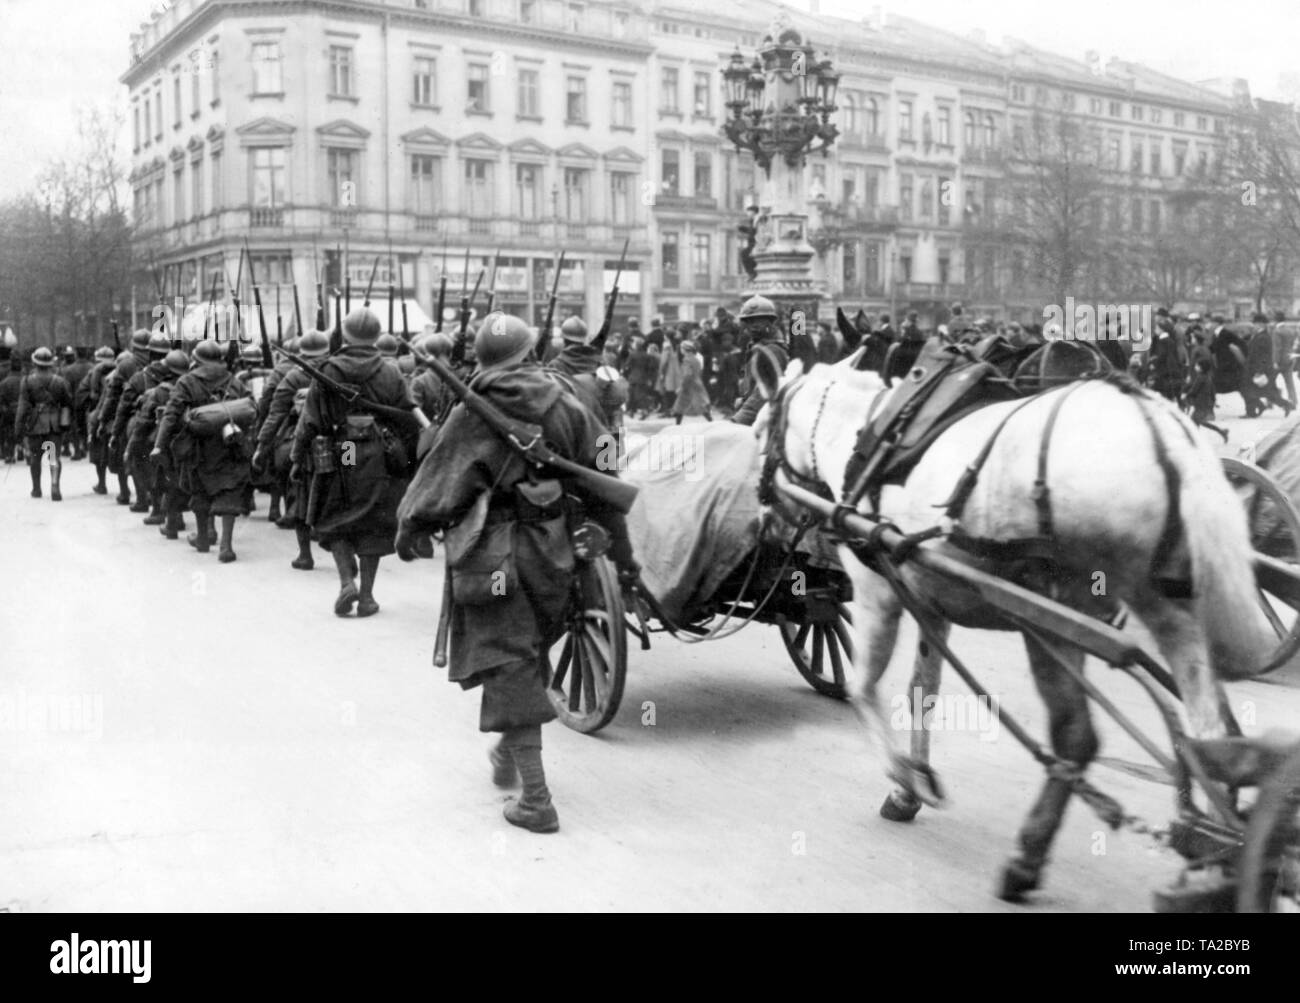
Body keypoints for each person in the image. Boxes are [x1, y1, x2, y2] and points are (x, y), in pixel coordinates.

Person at [394, 312, 638, 834]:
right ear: (529, 351)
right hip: (555, 555)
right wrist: (624, 557)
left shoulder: (472, 412)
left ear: (483, 359)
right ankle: (509, 750)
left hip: (495, 555)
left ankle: (537, 799)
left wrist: (408, 528)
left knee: (509, 656)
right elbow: (605, 468)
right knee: (526, 651)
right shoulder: (567, 400)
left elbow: (436, 478)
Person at [290, 307, 417, 617]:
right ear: (376, 336)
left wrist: (296, 456)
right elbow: (408, 418)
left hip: (342, 447)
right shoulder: (391, 371)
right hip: (378, 452)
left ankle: (347, 581)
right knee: (373, 522)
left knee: (337, 513)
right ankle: (368, 596)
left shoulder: (327, 370)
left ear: (344, 334)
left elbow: (309, 420)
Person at [152, 338, 253, 563]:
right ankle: (226, 544)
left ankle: (204, 538)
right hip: (230, 444)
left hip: (199, 445)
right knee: (228, 491)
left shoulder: (187, 382)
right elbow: (250, 406)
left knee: (199, 490)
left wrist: (159, 444)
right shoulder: (233, 381)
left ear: (195, 360)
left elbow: (171, 414)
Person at [253, 331, 331, 570]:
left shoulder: (292, 377)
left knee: (299, 490)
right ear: (327, 351)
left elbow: (275, 415)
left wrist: (261, 446)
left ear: (301, 353)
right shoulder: (339, 372)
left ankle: (305, 554)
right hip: (344, 444)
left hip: (305, 443)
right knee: (344, 486)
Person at [112, 332, 172, 524]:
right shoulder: (179, 375)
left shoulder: (139, 378)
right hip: (174, 430)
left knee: (145, 467)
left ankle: (156, 509)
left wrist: (115, 432)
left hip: (146, 430)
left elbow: (122, 406)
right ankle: (173, 514)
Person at [134, 348, 191, 539]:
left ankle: (172, 523)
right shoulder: (193, 385)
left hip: (168, 441)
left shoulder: (159, 391)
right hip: (190, 439)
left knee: (169, 481)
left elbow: (145, 419)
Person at [97, 330, 151, 507]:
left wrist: (103, 419)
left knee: (131, 456)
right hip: (160, 414)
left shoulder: (126, 365)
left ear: (133, 346)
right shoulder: (162, 361)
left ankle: (137, 496)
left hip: (132, 416)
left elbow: (112, 397)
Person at [14, 346, 73, 500]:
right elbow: (67, 403)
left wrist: (18, 429)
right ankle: (55, 486)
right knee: (54, 457)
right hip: (54, 426)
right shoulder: (60, 381)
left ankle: (36, 489)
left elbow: (23, 408)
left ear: (35, 363)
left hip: (35, 426)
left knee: (35, 458)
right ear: (50, 364)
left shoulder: (27, 381)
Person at [731, 295, 787, 426]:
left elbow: (769, 389)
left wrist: (740, 418)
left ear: (770, 322)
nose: (752, 326)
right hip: (756, 415)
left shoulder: (771, 350)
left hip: (767, 419)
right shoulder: (757, 347)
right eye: (748, 321)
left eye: (757, 321)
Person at [80, 346, 117, 491]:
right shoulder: (119, 372)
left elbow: (82, 394)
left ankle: (102, 483)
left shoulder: (92, 374)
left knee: (97, 451)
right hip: (115, 415)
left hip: (97, 415)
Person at [61, 347, 92, 460]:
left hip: (75, 401)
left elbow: (66, 388)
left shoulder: (69, 370)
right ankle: (85, 447)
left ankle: (77, 450)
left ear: (76, 355)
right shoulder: (92, 367)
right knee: (86, 424)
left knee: (75, 426)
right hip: (89, 401)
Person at [1187, 356, 1228, 442]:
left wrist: (1188, 395)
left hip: (1200, 403)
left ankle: (1194, 440)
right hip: (1206, 403)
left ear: (1201, 368)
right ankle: (1220, 431)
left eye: (1197, 366)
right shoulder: (1208, 378)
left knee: (1195, 421)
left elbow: (1194, 389)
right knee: (1196, 421)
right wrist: (1214, 401)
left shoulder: (1200, 378)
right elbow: (1213, 391)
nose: (1195, 367)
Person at [672, 341, 711, 424]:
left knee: (680, 405)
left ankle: (677, 425)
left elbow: (687, 374)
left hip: (689, 385)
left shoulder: (687, 360)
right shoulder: (696, 359)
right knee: (700, 404)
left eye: (681, 348)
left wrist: (682, 387)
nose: (680, 350)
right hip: (697, 384)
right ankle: (710, 420)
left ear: (685, 349)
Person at [0, 357, 23, 464]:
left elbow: (1, 399)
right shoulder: (27, 380)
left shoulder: (4, 383)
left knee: (9, 432)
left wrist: (4, 409)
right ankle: (23, 451)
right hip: (23, 409)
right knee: (24, 431)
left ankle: (10, 455)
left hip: (9, 410)